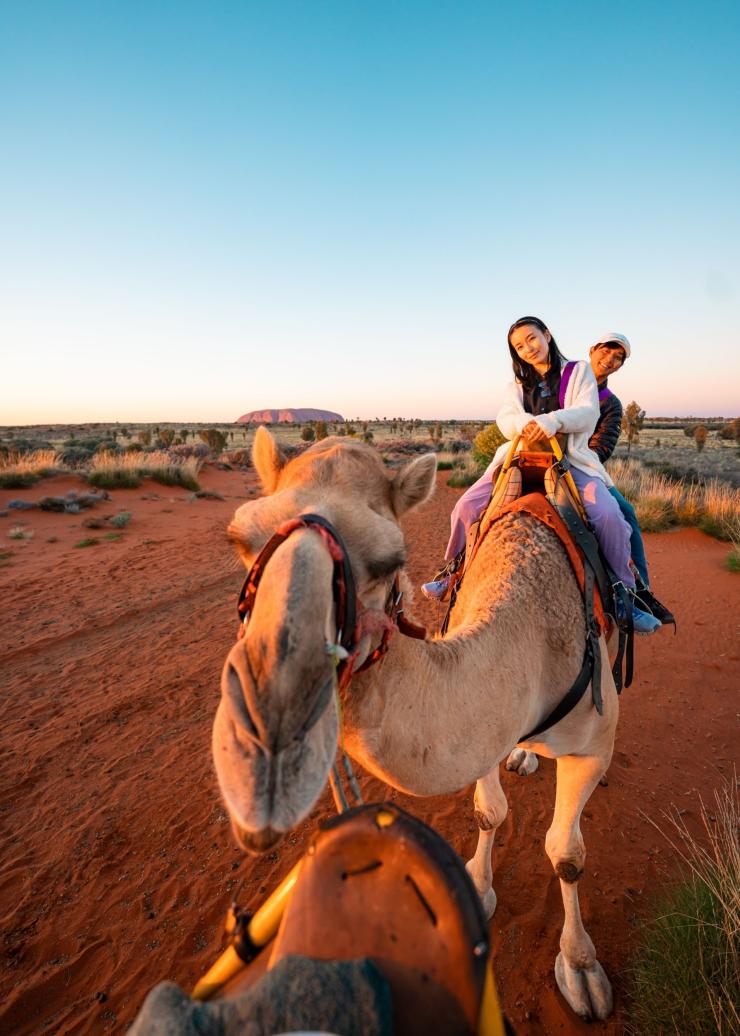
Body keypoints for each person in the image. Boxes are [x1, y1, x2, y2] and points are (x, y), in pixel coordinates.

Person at [422, 316, 661, 634]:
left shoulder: (579, 372)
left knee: (611, 517)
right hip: (519, 457)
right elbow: (505, 419)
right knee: (465, 507)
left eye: (531, 339)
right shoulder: (517, 385)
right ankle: (450, 574)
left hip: (569, 460)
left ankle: (626, 596)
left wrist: (552, 421)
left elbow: (588, 413)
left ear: (547, 335)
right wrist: (522, 425)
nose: (527, 348)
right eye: (519, 346)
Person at [588, 332, 674, 624]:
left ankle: (640, 592)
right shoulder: (562, 382)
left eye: (618, 358)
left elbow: (602, 446)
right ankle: (455, 570)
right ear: (592, 349)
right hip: (538, 456)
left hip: (583, 467)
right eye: (607, 351)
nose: (610, 360)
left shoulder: (610, 404)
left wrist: (573, 461)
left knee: (625, 512)